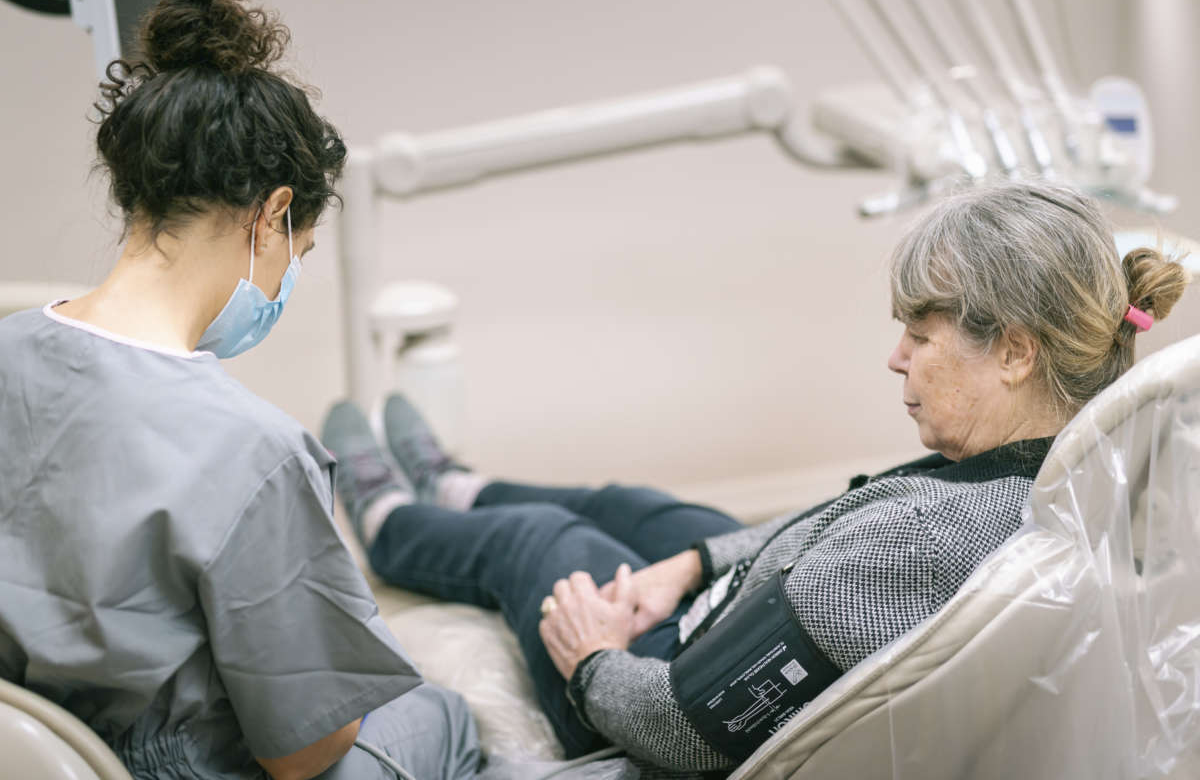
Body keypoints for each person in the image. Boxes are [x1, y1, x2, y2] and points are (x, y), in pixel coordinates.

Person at [320, 180, 1191, 774]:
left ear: (1013, 351)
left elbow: (676, 727)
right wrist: (696, 565)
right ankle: (455, 484)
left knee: (542, 541)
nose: (896, 360)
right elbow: (840, 518)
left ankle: (391, 513)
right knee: (642, 511)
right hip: (748, 601)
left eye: (920, 338)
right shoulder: (1070, 465)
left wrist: (589, 660)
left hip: (647, 696)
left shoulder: (913, 547)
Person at [0, 0, 482, 779]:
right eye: (301, 251)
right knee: (441, 715)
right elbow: (301, 752)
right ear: (273, 216)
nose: (290, 273)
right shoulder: (252, 454)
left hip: (31, 747)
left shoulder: (9, 345)